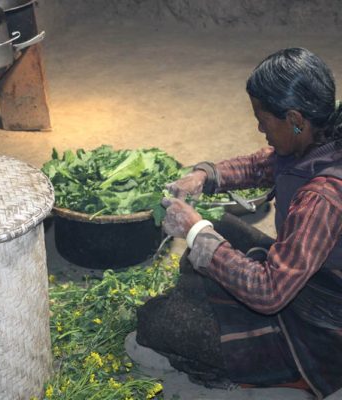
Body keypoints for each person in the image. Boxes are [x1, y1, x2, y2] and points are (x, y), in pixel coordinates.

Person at [135, 47, 342, 399]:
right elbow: (261, 164)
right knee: (222, 228)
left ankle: (294, 377)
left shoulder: (323, 196)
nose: (259, 127)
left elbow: (269, 293)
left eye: (263, 118)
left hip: (321, 321)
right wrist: (204, 176)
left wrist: (193, 229)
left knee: (157, 324)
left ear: (294, 118)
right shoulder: (317, 140)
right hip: (304, 279)